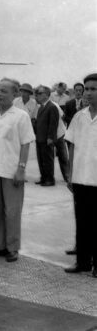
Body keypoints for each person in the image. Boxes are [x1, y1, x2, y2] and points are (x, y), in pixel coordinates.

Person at [0, 78, 35, 263]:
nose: (0, 94)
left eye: (4, 91)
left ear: (15, 94)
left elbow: (25, 143)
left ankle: (12, 248)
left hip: (12, 171)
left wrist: (21, 169)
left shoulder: (21, 116)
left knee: (12, 212)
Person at [64, 73, 97, 278]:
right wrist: (70, 174)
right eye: (87, 89)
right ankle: (83, 262)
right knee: (82, 221)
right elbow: (72, 146)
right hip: (81, 179)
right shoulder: (79, 116)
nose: (89, 93)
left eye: (94, 89)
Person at [34, 85, 59, 186]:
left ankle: (49, 179)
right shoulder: (41, 107)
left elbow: (53, 124)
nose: (37, 96)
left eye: (40, 93)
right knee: (41, 159)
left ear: (47, 95)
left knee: (48, 159)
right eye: (37, 94)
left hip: (47, 139)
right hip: (39, 138)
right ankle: (43, 177)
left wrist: (50, 137)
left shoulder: (52, 107)